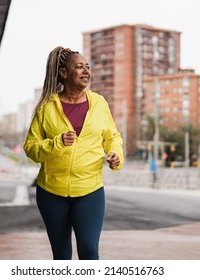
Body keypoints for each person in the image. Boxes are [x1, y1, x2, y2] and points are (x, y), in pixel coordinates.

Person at [24, 46, 124, 260]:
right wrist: (56, 143)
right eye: (79, 67)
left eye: (88, 67)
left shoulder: (99, 103)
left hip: (90, 189)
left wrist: (116, 154)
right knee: (61, 255)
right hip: (51, 191)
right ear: (63, 73)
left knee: (89, 250)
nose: (86, 71)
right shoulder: (46, 108)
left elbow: (112, 137)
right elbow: (31, 148)